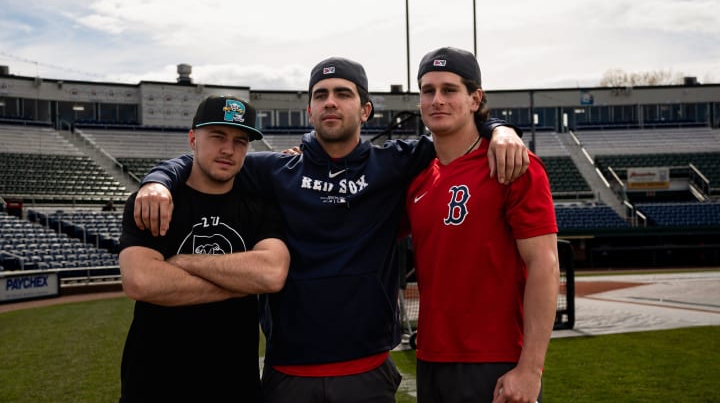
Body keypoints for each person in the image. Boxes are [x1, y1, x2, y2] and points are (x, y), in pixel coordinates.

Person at [133, 57, 529, 403]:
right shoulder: (275, 170)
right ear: (309, 110)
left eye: (343, 93)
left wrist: (500, 128)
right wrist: (158, 180)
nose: (331, 102)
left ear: (366, 109)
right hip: (288, 371)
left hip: (367, 370)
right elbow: (208, 158)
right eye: (321, 95)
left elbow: (457, 130)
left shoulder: (397, 163)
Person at [406, 47, 560, 403]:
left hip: (496, 360)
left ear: (475, 98)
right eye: (427, 91)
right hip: (431, 358)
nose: (437, 100)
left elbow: (545, 265)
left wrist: (530, 369)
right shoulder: (417, 179)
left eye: (449, 90)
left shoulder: (513, 165)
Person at [117, 95, 290, 403]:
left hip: (235, 386)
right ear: (193, 139)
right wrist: (240, 282)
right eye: (218, 137)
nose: (228, 149)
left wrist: (182, 262)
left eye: (240, 141)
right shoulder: (154, 202)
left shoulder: (260, 207)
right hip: (153, 385)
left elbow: (271, 274)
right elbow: (141, 281)